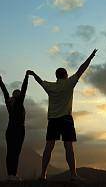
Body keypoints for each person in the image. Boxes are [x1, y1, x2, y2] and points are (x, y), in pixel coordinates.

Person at [28, 49, 97, 181]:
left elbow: (39, 81)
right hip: (66, 119)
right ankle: (73, 175)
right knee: (68, 147)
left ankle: (43, 175)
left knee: (49, 146)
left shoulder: (50, 86)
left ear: (56, 76)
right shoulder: (69, 83)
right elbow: (81, 69)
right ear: (65, 75)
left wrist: (32, 73)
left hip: (53, 120)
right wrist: (91, 57)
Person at [0, 72, 29, 181]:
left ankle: (10, 174)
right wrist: (26, 77)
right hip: (19, 130)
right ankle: (13, 174)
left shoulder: (9, 103)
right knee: (15, 152)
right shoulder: (19, 102)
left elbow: (5, 92)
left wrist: (1, 82)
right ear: (18, 95)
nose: (20, 94)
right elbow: (24, 89)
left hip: (10, 130)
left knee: (10, 152)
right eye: (18, 93)